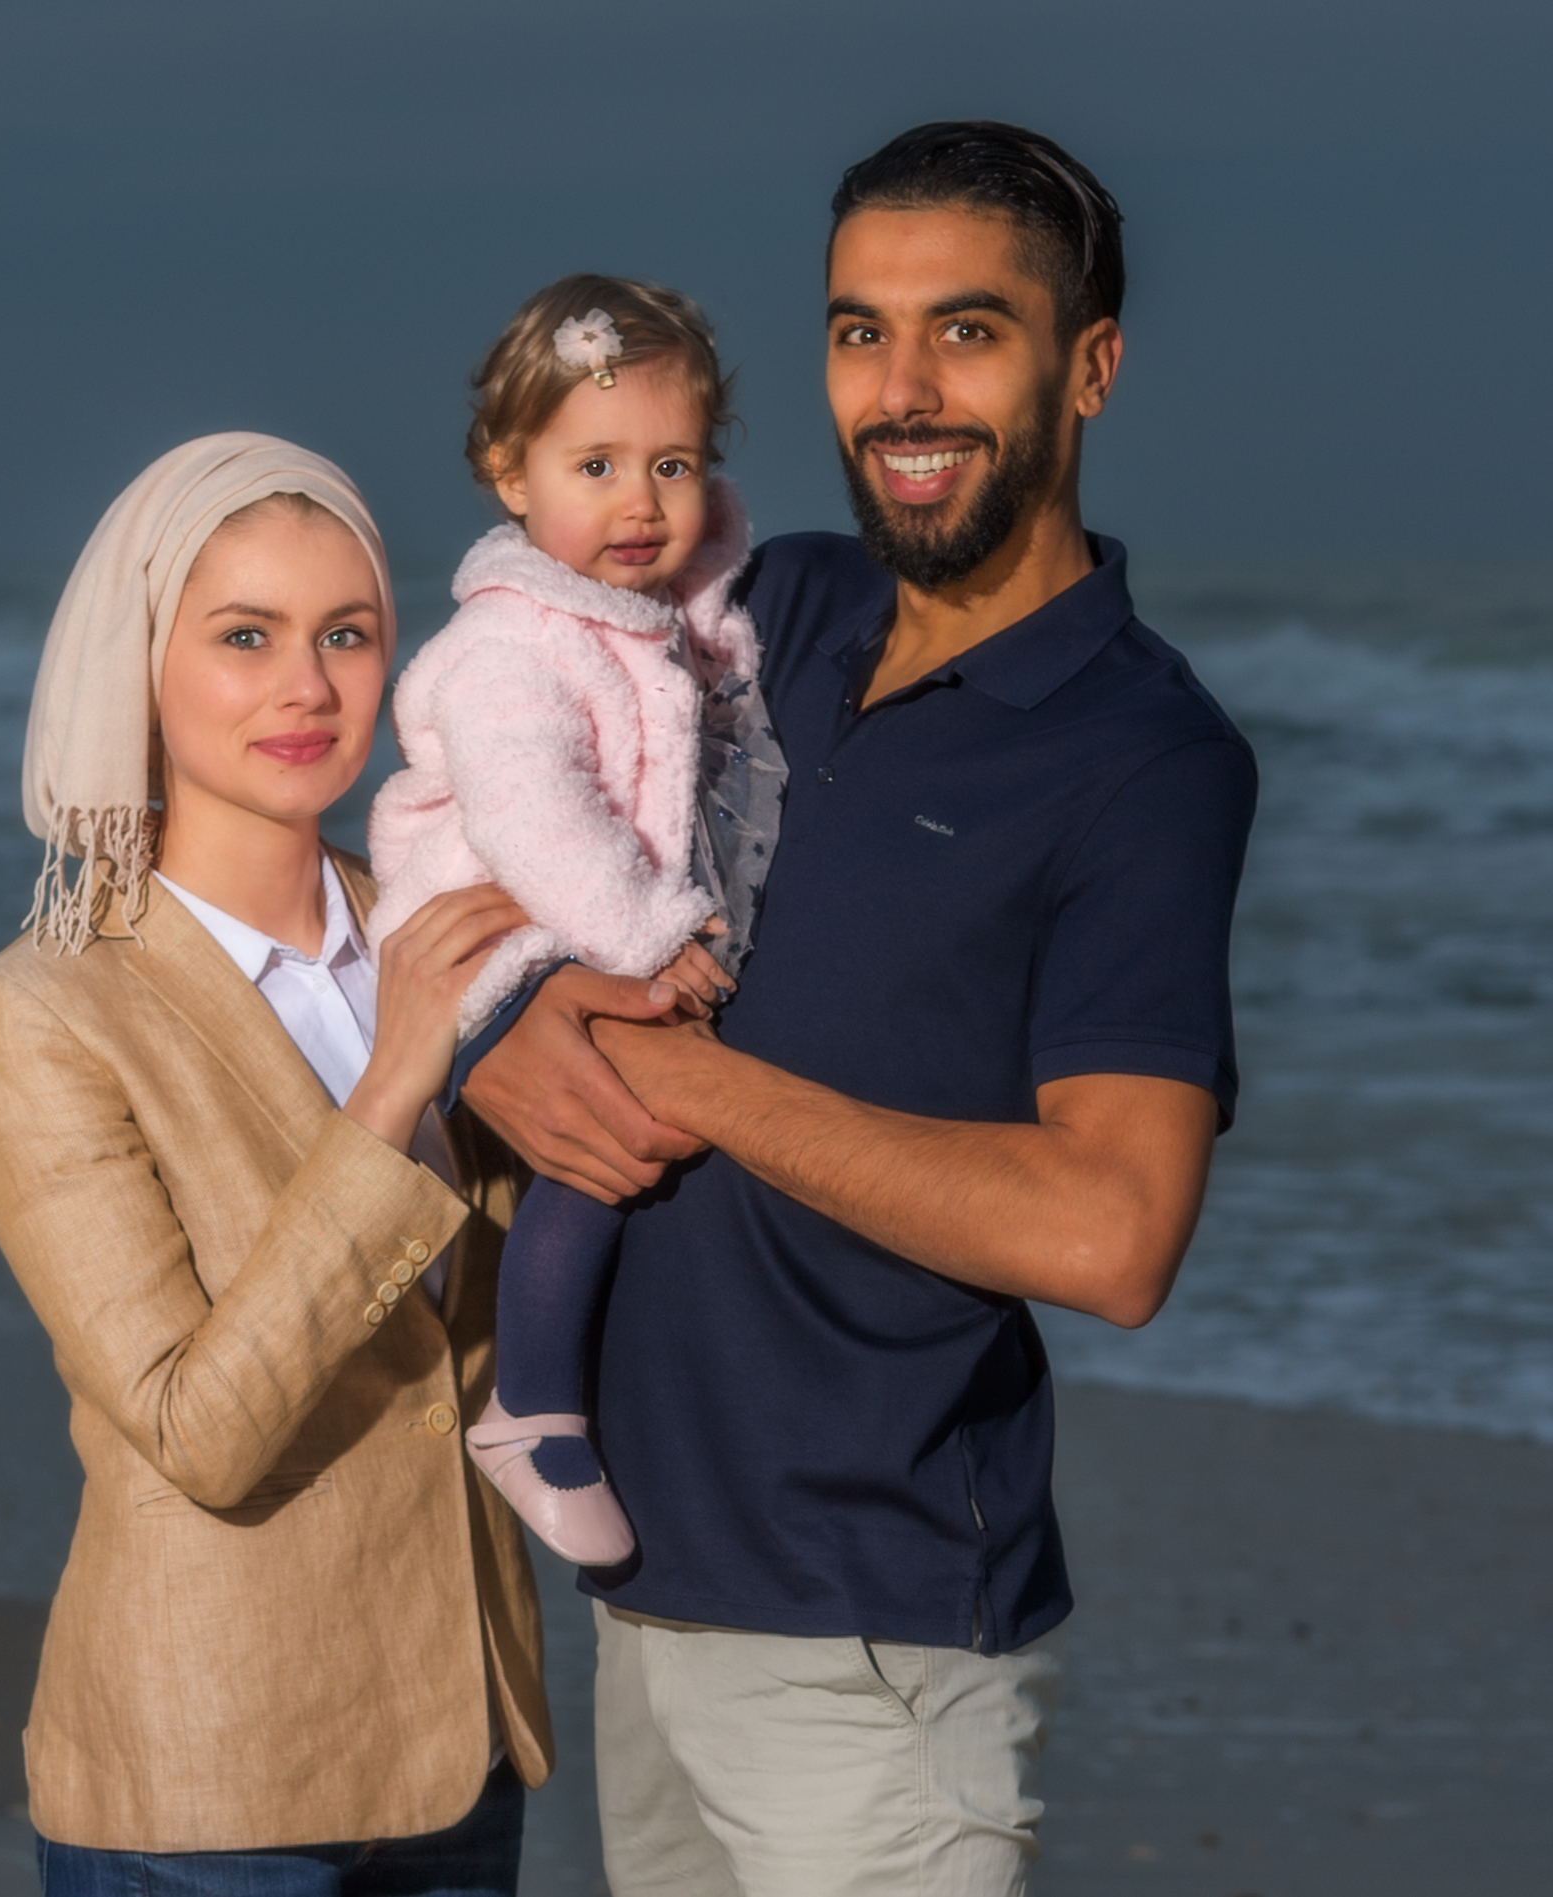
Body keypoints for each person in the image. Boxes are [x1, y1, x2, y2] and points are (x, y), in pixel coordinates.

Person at [459, 122, 1259, 1895]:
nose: (901, 390)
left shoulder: (1144, 758)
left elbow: (1114, 1228)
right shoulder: (770, 606)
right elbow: (497, 772)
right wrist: (509, 1028)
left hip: (874, 1635)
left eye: (967, 331)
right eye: (855, 330)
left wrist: (691, 1075)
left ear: (1093, 365)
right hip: (639, 1586)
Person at [0, 433, 553, 1896]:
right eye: (245, 636)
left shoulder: (447, 932)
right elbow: (197, 1427)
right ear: (141, 663)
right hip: (203, 1784)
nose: (309, 685)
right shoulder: (38, 1014)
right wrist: (398, 1077)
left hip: (457, 1750)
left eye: (348, 633)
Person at [366, 275, 782, 1569]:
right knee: (607, 1140)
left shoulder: (664, 613)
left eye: (674, 464)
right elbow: (539, 816)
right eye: (594, 464)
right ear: (509, 470)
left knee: (655, 1122)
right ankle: (530, 1401)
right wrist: (655, 935)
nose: (640, 502)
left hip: (582, 920)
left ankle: (598, 1371)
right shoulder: (509, 648)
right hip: (485, 927)